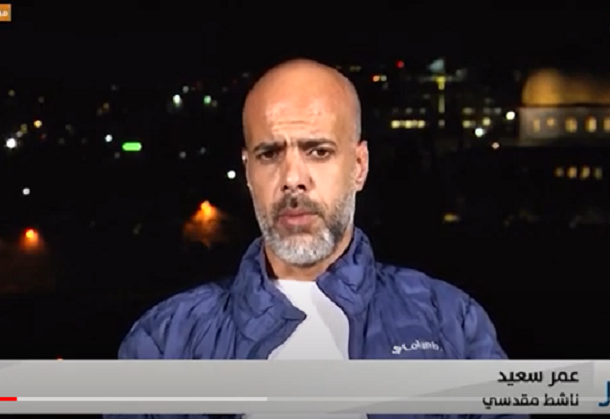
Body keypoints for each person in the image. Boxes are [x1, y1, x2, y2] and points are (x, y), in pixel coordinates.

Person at [109, 59, 525, 419]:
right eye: (270, 154)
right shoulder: (166, 341)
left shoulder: (450, 322)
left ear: (359, 166)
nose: (293, 178)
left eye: (318, 151)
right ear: (248, 171)